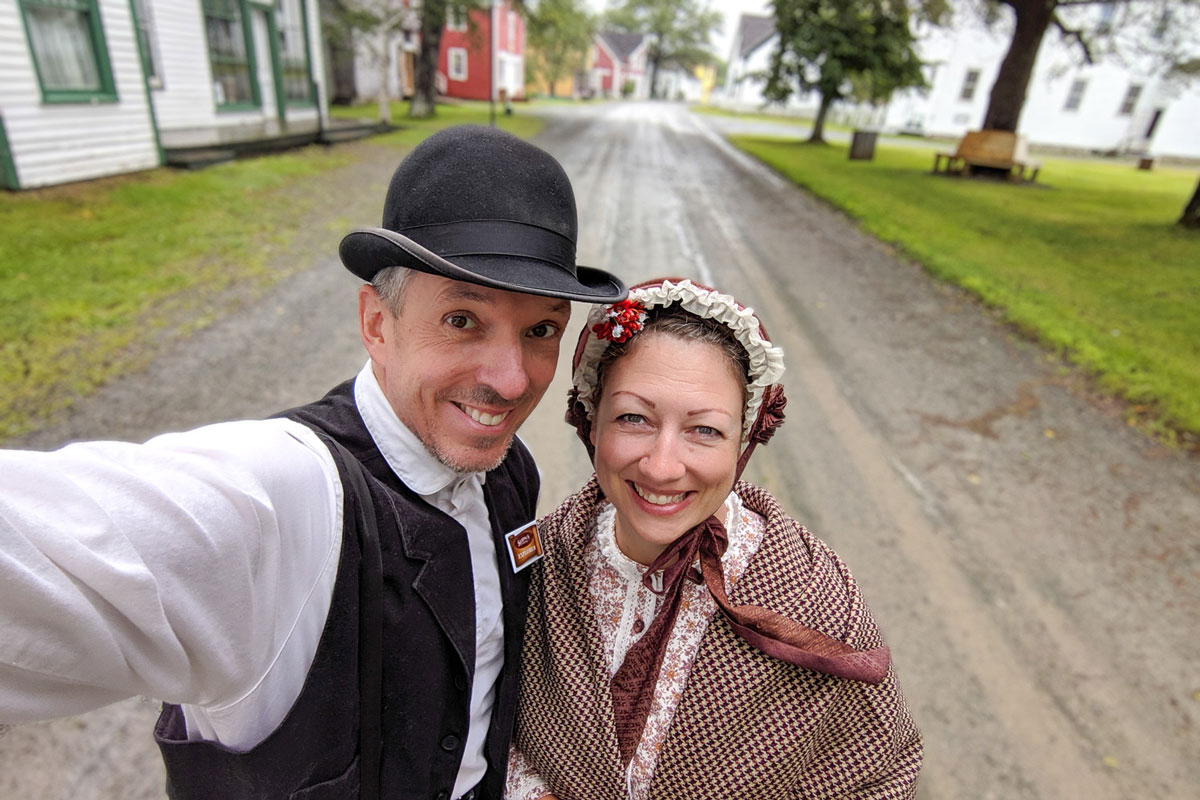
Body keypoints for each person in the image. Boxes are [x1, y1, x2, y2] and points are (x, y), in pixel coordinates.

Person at [0, 125, 626, 800]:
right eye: (462, 319)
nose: (510, 381)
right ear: (377, 324)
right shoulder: (283, 500)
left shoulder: (512, 469)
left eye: (540, 330)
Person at [505, 278, 921, 800]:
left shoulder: (814, 599)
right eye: (633, 418)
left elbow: (875, 775)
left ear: (743, 441)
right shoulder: (543, 565)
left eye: (704, 430)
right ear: (592, 422)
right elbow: (485, 725)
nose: (661, 466)